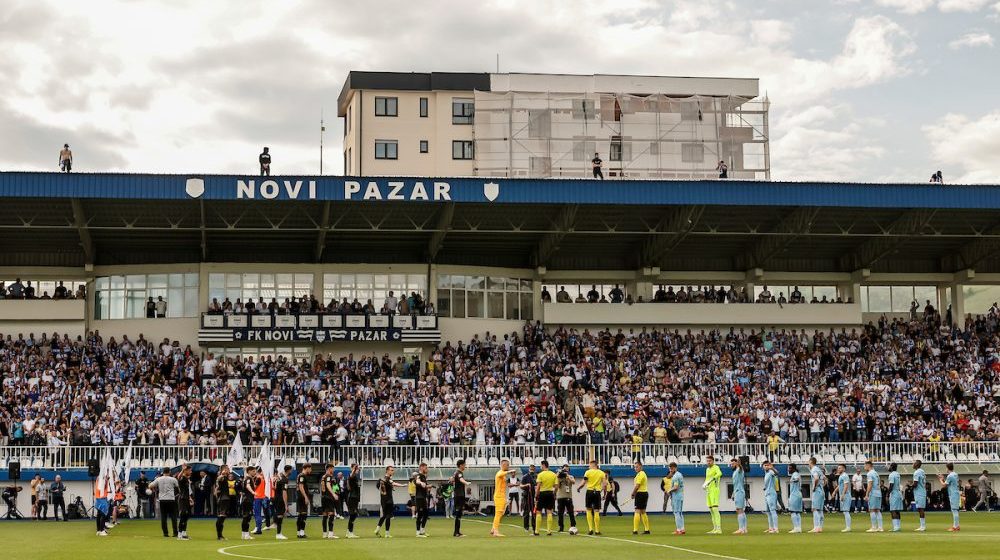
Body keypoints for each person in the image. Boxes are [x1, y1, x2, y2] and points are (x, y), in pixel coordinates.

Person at [147, 467, 180, 538]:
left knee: (163, 517)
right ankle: (175, 533)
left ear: (163, 472)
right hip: (171, 499)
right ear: (169, 472)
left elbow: (150, 485)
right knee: (173, 516)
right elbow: (178, 487)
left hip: (162, 500)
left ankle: (165, 533)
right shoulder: (173, 479)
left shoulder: (158, 479)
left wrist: (152, 488)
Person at [577, 459, 606, 535]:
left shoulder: (588, 472)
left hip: (589, 491)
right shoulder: (601, 473)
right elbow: (604, 484)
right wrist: (602, 492)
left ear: (593, 465)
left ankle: (590, 529)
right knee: (596, 511)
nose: (589, 466)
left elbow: (584, 482)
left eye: (589, 465)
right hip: (597, 492)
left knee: (588, 509)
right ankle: (597, 530)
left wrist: (579, 488)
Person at [375, 464, 405, 538]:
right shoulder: (387, 478)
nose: (393, 471)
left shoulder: (383, 479)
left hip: (383, 500)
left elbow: (378, 487)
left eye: (393, 470)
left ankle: (377, 529)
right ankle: (387, 533)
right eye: (391, 470)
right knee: (388, 516)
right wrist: (402, 485)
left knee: (384, 515)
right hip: (388, 499)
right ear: (387, 471)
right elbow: (393, 483)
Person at [491, 459, 516, 537]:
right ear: (503, 465)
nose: (508, 466)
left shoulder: (503, 475)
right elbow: (499, 475)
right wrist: (509, 472)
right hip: (499, 496)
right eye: (507, 465)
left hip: (502, 496)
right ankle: (496, 531)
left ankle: (493, 529)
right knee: (498, 513)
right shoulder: (500, 472)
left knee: (501, 513)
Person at [703, 455, 722, 534]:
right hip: (709, 491)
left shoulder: (716, 467)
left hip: (715, 490)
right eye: (707, 461)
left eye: (709, 461)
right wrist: (704, 484)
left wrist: (712, 479)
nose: (708, 462)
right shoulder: (707, 469)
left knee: (715, 509)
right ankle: (714, 528)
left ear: (713, 461)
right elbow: (707, 479)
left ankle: (719, 528)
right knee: (711, 510)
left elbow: (719, 473)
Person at [939, 463, 961, 531]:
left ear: (947, 468)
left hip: (953, 494)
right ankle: (957, 525)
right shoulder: (955, 474)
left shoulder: (950, 476)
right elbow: (950, 483)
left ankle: (955, 526)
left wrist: (940, 479)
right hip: (956, 493)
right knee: (955, 510)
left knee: (954, 510)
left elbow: (944, 485)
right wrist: (943, 479)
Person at [555, 464, 576, 533]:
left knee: (571, 512)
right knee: (560, 513)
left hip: (568, 497)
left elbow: (573, 482)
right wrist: (558, 475)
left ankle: (573, 526)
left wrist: (567, 476)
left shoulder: (571, 476)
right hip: (560, 497)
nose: (566, 471)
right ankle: (561, 527)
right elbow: (556, 485)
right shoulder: (559, 477)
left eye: (567, 469)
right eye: (564, 469)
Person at [631, 460, 650, 535]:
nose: (635, 468)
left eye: (637, 467)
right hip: (643, 493)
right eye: (634, 467)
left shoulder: (641, 474)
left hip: (641, 494)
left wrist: (633, 493)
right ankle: (647, 529)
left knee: (637, 511)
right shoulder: (640, 474)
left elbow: (637, 485)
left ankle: (635, 530)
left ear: (641, 466)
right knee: (643, 511)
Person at [320, 463, 339, 539]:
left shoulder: (323, 476)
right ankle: (330, 534)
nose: (333, 470)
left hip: (323, 497)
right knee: (331, 514)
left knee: (325, 515)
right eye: (333, 468)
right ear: (329, 468)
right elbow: (328, 485)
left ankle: (324, 533)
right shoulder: (328, 476)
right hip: (328, 497)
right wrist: (333, 494)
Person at [214, 465, 233, 540]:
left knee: (223, 517)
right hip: (223, 499)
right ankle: (219, 536)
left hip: (225, 498)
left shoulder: (225, 478)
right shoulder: (221, 477)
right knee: (221, 517)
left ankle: (220, 535)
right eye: (227, 469)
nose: (229, 470)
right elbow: (218, 479)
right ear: (224, 470)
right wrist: (222, 474)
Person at [864, 461, 883, 533]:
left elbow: (870, 484)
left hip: (873, 493)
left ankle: (874, 527)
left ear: (868, 465)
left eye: (865, 465)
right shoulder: (876, 473)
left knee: (872, 510)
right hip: (879, 493)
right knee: (877, 510)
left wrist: (866, 494)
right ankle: (880, 527)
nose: (864, 467)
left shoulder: (870, 473)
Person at [273, 465, 291, 540]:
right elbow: (284, 492)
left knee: (278, 515)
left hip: (275, 498)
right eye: (291, 470)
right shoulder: (285, 480)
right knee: (280, 516)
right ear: (289, 470)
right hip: (280, 499)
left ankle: (274, 524)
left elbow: (274, 487)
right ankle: (278, 534)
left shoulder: (279, 476)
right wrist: (286, 505)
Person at [666, 462, 685, 535]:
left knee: (676, 512)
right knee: (680, 512)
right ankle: (682, 529)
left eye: (672, 468)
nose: (670, 470)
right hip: (680, 496)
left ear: (675, 468)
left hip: (676, 496)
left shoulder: (675, 476)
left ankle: (678, 529)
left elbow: (676, 487)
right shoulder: (679, 474)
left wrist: (669, 490)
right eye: (670, 468)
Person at [451, 459, 468, 537]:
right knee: (458, 514)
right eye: (464, 465)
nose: (465, 466)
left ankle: (457, 531)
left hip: (459, 495)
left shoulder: (456, 473)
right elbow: (461, 479)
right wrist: (466, 482)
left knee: (459, 514)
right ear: (461, 465)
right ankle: (456, 532)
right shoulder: (458, 473)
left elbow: (453, 480)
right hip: (459, 495)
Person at [730, 457, 747, 535]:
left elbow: (740, 467)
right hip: (737, 491)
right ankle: (744, 528)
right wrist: (733, 493)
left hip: (739, 492)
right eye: (731, 464)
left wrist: (739, 463)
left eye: (733, 463)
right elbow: (735, 484)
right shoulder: (735, 472)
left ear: (736, 463)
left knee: (739, 509)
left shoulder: (739, 470)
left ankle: (741, 528)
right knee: (741, 510)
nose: (731, 465)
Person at [295, 463, 313, 539]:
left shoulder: (300, 475)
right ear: (307, 468)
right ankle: (302, 533)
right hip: (302, 497)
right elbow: (301, 486)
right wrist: (305, 497)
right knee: (304, 515)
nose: (311, 470)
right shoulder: (302, 475)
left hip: (300, 497)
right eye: (310, 468)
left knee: (300, 515)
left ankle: (299, 532)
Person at [808, 457, 825, 533]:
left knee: (815, 509)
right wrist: (822, 486)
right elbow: (825, 479)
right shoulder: (819, 469)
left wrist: (815, 487)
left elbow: (816, 478)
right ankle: (820, 527)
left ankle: (816, 527)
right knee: (820, 510)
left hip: (817, 491)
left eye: (808, 461)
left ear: (811, 462)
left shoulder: (814, 469)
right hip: (821, 491)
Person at [414, 462, 431, 537]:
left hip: (423, 497)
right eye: (425, 468)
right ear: (421, 467)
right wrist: (421, 483)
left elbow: (424, 486)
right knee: (420, 515)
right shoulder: (419, 475)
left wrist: (427, 486)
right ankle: (418, 532)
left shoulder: (423, 476)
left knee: (426, 514)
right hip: (419, 498)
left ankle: (422, 530)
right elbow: (417, 481)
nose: (427, 469)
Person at [345, 462, 362, 538]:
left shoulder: (355, 477)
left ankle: (348, 532)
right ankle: (350, 532)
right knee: (353, 514)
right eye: (356, 468)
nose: (358, 470)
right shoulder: (351, 475)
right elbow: (351, 475)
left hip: (355, 498)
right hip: (351, 497)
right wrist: (354, 469)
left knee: (354, 515)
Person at [240, 466, 257, 540]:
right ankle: (246, 534)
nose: (255, 472)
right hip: (247, 500)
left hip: (245, 499)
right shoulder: (248, 478)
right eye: (253, 471)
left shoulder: (246, 478)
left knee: (245, 517)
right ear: (249, 471)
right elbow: (248, 486)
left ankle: (244, 534)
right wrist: (253, 492)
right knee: (247, 517)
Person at [177, 464, 193, 540]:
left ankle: (184, 533)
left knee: (186, 516)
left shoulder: (186, 479)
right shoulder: (182, 478)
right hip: (182, 499)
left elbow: (187, 490)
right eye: (190, 470)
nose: (191, 472)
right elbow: (178, 477)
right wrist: (182, 470)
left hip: (186, 499)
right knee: (183, 516)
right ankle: (179, 535)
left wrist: (190, 498)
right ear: (186, 471)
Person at [520, 464, 537, 534]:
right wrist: (526, 485)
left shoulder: (537, 476)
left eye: (533, 469)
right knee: (526, 512)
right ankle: (526, 527)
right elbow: (521, 485)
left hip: (535, 496)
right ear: (529, 469)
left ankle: (534, 527)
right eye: (531, 469)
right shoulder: (525, 476)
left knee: (534, 512)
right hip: (527, 496)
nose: (532, 470)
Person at [762, 461, 779, 534]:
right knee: (768, 512)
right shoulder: (766, 474)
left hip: (771, 494)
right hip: (767, 494)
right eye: (764, 465)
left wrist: (773, 468)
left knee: (773, 511)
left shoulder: (771, 472)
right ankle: (771, 528)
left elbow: (777, 473)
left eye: (767, 465)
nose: (766, 466)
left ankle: (776, 528)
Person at [836, 464, 852, 532]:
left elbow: (846, 486)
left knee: (846, 511)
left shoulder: (845, 475)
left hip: (846, 495)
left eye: (840, 468)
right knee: (845, 512)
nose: (838, 469)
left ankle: (848, 527)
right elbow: (840, 486)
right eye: (838, 468)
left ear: (844, 469)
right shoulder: (841, 476)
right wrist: (834, 492)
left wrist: (843, 495)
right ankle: (847, 526)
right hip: (843, 495)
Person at [787, 463, 803, 533]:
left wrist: (792, 480)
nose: (788, 469)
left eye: (790, 468)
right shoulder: (797, 474)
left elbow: (796, 479)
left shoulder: (795, 474)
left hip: (794, 495)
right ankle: (799, 528)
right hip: (798, 494)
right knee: (797, 512)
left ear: (793, 468)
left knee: (792, 511)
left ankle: (796, 528)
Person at [912, 460, 927, 532]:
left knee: (920, 509)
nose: (912, 464)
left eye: (914, 463)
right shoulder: (922, 471)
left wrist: (910, 486)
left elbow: (915, 484)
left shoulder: (917, 472)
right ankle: (922, 525)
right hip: (922, 491)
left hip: (919, 492)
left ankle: (923, 526)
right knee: (920, 509)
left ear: (917, 464)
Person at [94, 472, 111, 536]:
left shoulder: (100, 478)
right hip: (102, 498)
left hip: (99, 497)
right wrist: (106, 480)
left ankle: (99, 530)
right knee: (103, 514)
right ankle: (102, 530)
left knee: (99, 514)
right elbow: (102, 488)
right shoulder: (101, 479)